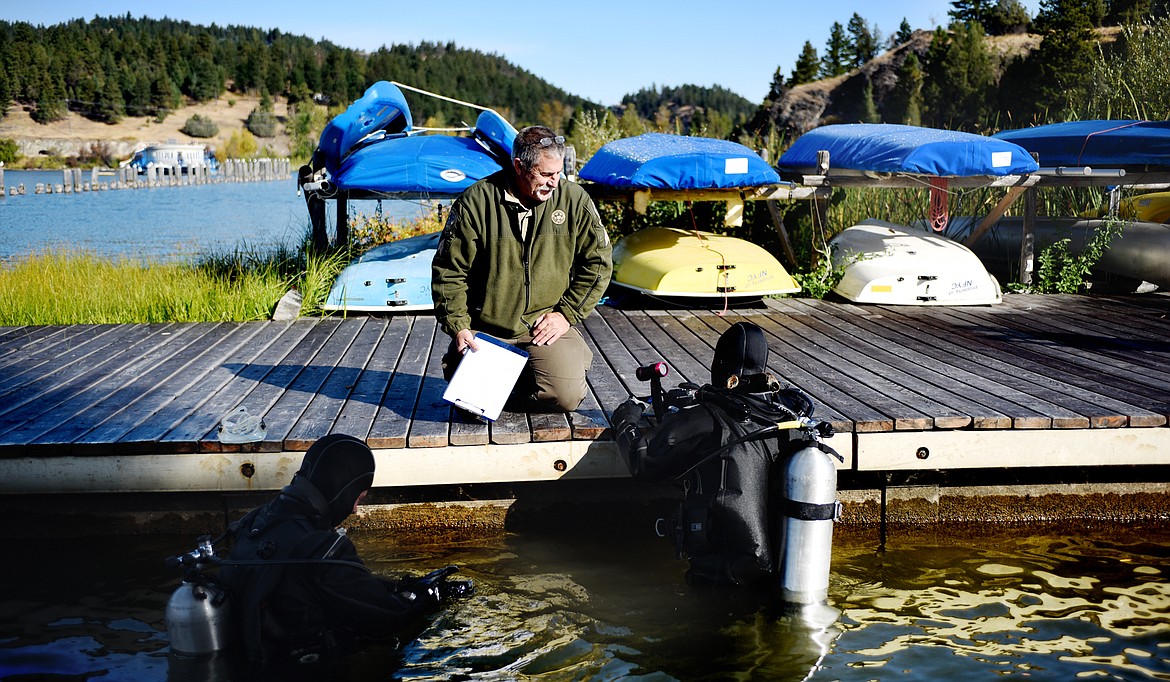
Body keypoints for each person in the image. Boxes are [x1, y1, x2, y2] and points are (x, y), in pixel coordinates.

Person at [217, 433, 470, 664]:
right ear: (342, 491)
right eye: (357, 499)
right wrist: (431, 594)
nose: (354, 510)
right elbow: (385, 617)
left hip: (247, 659)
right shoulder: (321, 547)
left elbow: (346, 585)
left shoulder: (255, 522)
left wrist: (401, 586)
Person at [611, 322, 818, 586]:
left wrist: (625, 420)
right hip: (782, 575)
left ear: (720, 365)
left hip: (720, 581)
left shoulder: (707, 418)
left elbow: (643, 461)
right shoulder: (787, 416)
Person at [432, 125, 612, 412]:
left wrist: (566, 314)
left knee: (566, 396)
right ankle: (474, 378)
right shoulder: (475, 202)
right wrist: (459, 326)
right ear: (519, 166)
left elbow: (599, 263)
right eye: (546, 174)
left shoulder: (575, 200)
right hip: (487, 328)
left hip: (544, 325)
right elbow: (448, 271)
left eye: (559, 173)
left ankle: (505, 383)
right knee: (470, 404)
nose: (555, 182)